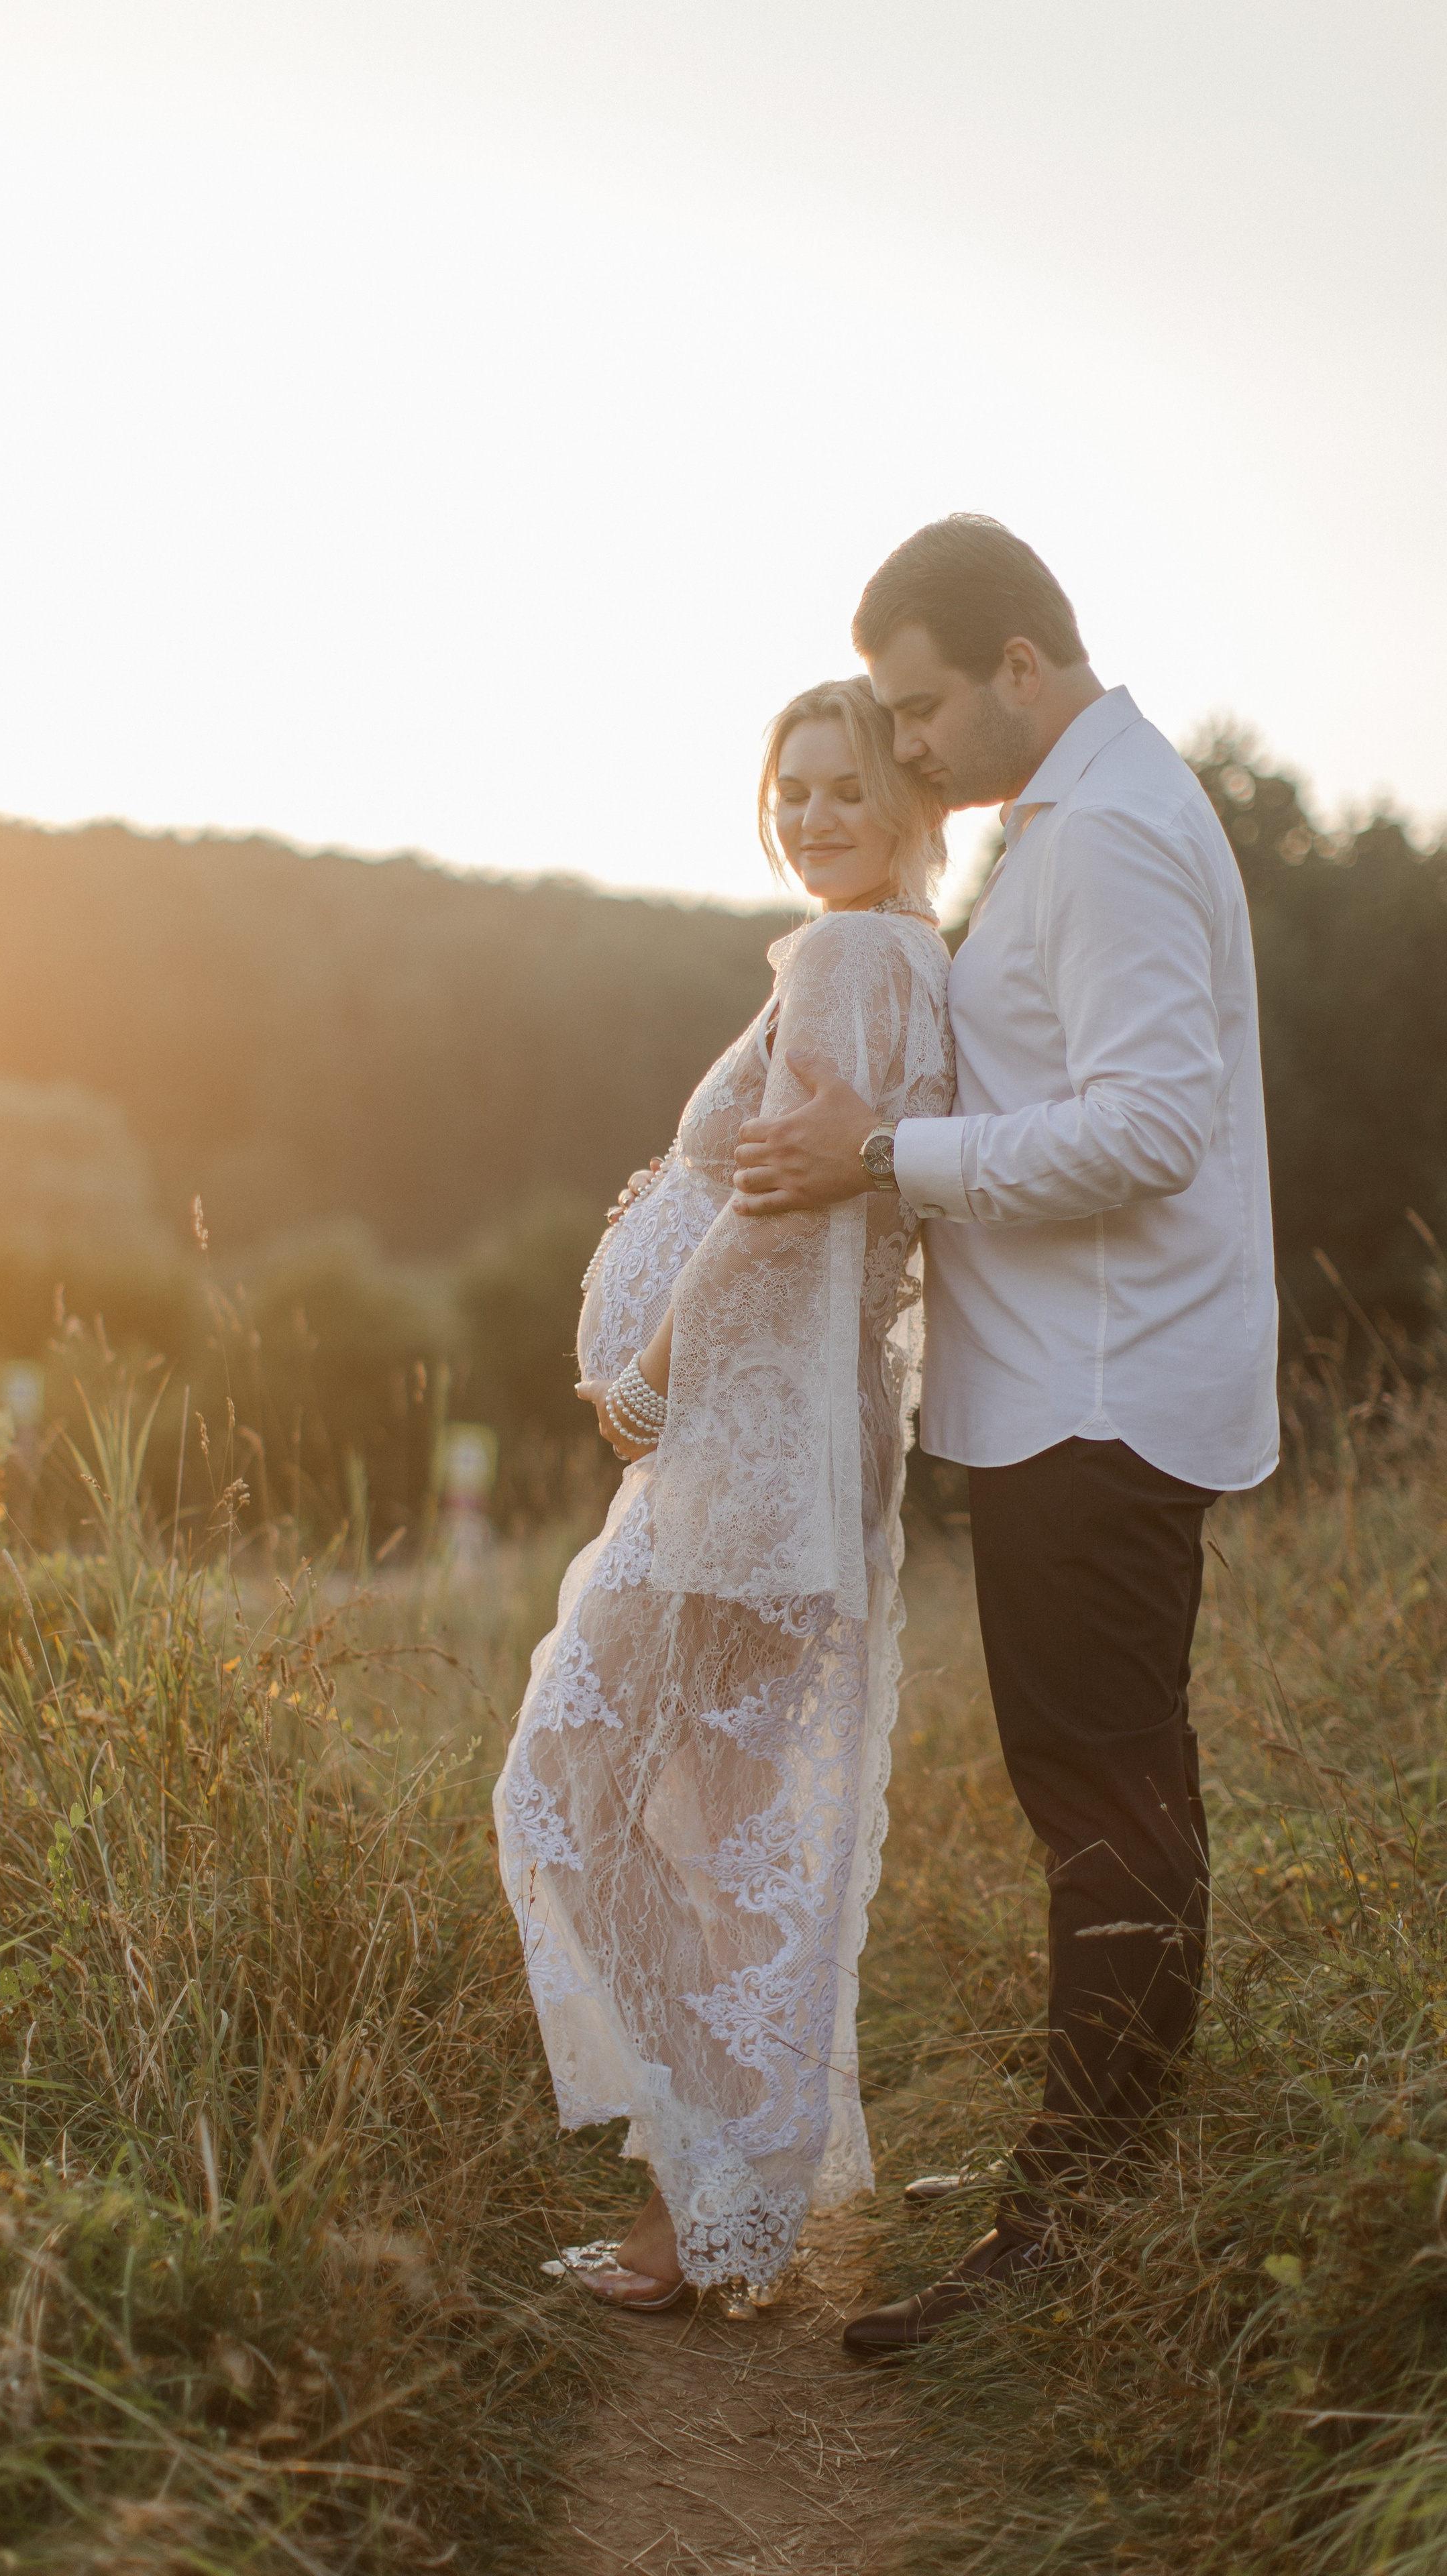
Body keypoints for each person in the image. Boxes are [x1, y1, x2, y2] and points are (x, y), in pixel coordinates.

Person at [731, 517, 1279, 2355]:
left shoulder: (1111, 837)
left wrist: (884, 1159)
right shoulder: (1080, 815)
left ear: (1020, 670)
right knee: (1112, 1790)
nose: (908, 750)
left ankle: (1071, 2224)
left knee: (1102, 1796)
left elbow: (1150, 1130)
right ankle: (1102, 2168)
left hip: (1100, 1404)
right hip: (1075, 1390)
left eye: (920, 706)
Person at [494, 679, 953, 2310]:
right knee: (705, 1823)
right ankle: (717, 2201)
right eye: (791, 789)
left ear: (909, 808)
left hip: (745, 1458)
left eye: (845, 791)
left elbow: (770, 1200)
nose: (814, 818)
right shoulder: (896, 956)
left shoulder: (849, 956)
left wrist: (647, 1376)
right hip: (780, 1455)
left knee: (560, 1793)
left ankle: (719, 2195)